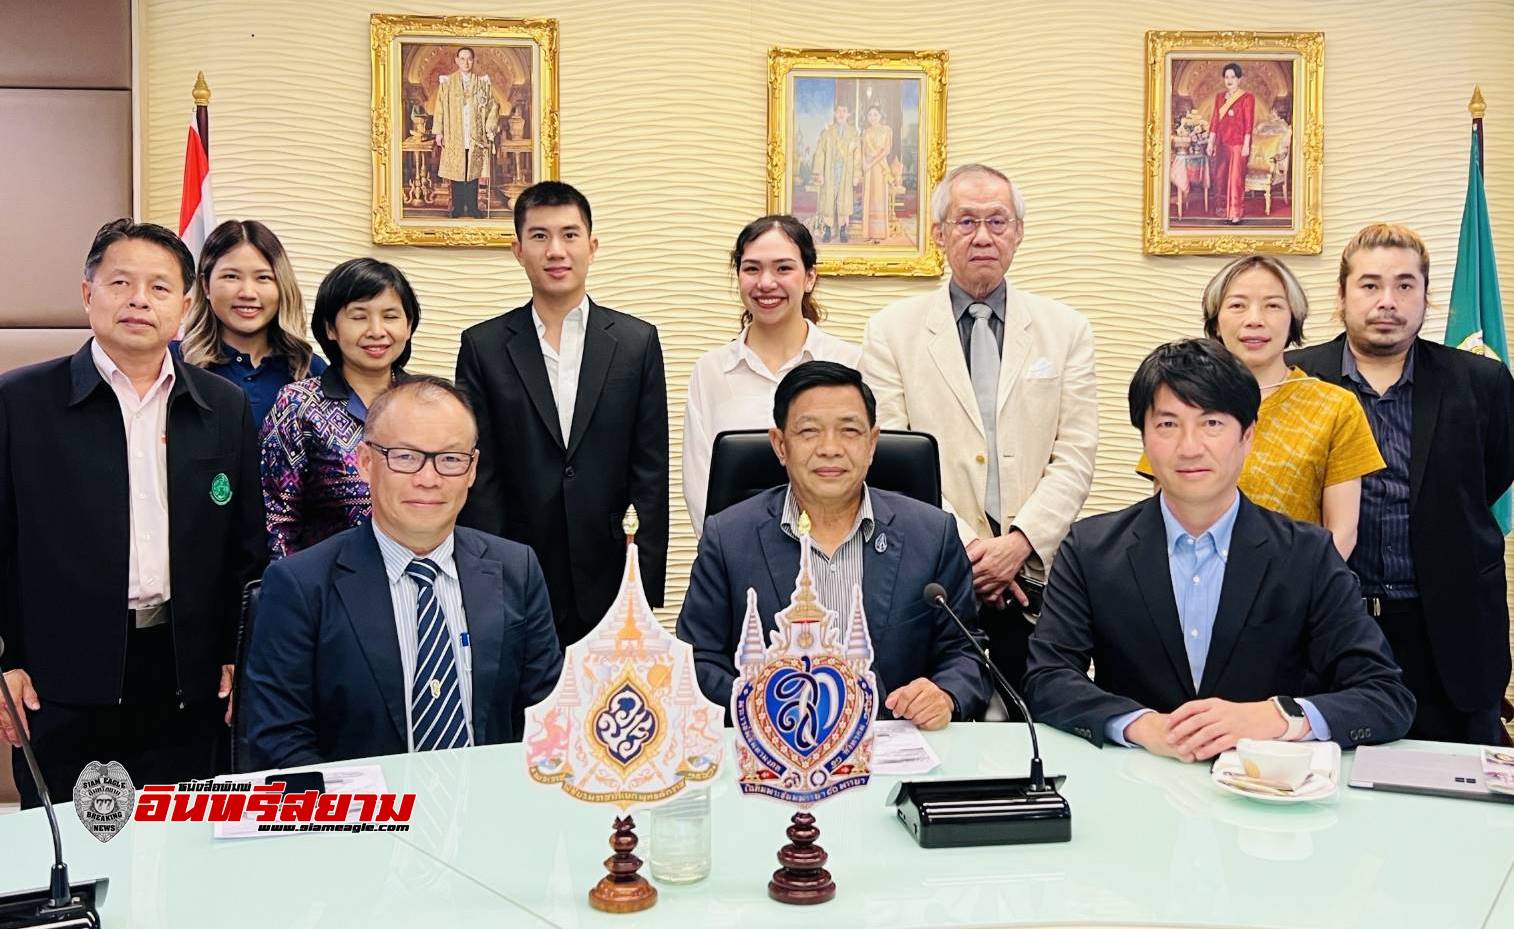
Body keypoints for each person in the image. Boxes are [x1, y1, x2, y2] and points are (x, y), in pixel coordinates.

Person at [1024, 339, 1415, 759]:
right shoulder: (1090, 548)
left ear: (1247, 436)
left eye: (1211, 424)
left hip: (1270, 797)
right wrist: (1142, 725)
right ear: (1145, 439)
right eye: (1168, 425)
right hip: (1138, 783)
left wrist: (1279, 717)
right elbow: (1048, 678)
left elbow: (1385, 696)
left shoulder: (1307, 554)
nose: (1190, 447)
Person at [0, 219, 266, 804]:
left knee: (181, 849)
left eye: (160, 287)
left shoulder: (221, 405)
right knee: (77, 851)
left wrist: (234, 655)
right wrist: (5, 661)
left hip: (186, 676)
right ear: (88, 293)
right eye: (121, 282)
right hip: (60, 678)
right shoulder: (20, 402)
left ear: (186, 304)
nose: (140, 300)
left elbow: (246, 547)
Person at [242, 376, 562, 768]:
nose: (428, 479)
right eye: (405, 457)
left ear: (472, 469)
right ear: (365, 462)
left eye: (449, 459)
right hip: (359, 821)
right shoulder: (300, 586)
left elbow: (544, 721)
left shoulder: (517, 570)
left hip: (487, 813)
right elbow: (279, 743)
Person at [861, 163, 1098, 694]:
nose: (983, 236)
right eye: (966, 222)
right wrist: (967, 550)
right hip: (932, 572)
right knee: (932, 718)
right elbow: (891, 457)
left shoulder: (1066, 330)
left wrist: (1019, 542)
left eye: (998, 220)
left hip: (1037, 576)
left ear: (1019, 231)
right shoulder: (890, 332)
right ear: (939, 234)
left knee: (1038, 722)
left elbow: (1076, 454)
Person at [1290, 223, 1514, 744]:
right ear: (1341, 296)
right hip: (1331, 621)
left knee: (1458, 801)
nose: (1387, 301)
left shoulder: (1481, 382)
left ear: (1425, 296)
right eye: (1369, 285)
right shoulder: (1296, 379)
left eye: (1404, 285)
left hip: (1450, 627)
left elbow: (1493, 476)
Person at [678, 362, 991, 727]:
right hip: (774, 756)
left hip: (895, 749)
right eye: (809, 431)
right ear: (780, 445)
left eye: (849, 431)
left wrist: (946, 694)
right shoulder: (727, 538)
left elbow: (965, 650)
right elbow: (698, 661)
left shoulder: (932, 533)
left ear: (872, 443)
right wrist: (766, 706)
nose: (830, 448)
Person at [457, 181, 668, 647]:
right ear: (517, 250)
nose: (556, 250)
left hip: (612, 571)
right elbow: (480, 473)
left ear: (592, 246)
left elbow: (650, 471)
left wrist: (645, 584)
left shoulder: (636, 343)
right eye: (539, 236)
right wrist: (486, 577)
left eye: (570, 235)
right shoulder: (484, 347)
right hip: (517, 573)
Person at [1137, 255, 1384, 558]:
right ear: (1215, 321)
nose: (1254, 319)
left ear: (1293, 318)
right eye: (1238, 305)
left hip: (1294, 590)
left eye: (1273, 305)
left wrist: (1299, 592)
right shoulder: (1181, 402)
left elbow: (1343, 530)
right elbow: (1165, 517)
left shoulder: (1336, 407)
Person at [682, 214, 860, 533]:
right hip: (737, 558)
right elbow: (700, 489)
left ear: (809, 278)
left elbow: (862, 471)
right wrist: (726, 556)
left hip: (835, 556)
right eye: (752, 268)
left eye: (783, 268)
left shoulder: (849, 363)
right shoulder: (711, 371)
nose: (766, 283)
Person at [261, 258, 419, 560]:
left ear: (409, 326)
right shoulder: (298, 405)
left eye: (390, 316)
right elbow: (277, 521)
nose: (376, 330)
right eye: (359, 317)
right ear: (331, 328)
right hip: (326, 588)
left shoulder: (428, 403)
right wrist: (293, 594)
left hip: (418, 581)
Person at [175, 219, 326, 427]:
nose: (247, 293)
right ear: (206, 286)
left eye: (263, 278)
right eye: (231, 276)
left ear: (282, 285)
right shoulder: (172, 362)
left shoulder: (308, 369)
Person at [433, 46, 499, 219]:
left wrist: (490, 126)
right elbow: (439, 108)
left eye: (469, 58)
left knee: (473, 172)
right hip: (454, 132)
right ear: (456, 60)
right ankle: (457, 207)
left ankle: (472, 207)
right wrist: (439, 132)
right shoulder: (447, 83)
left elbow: (493, 105)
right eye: (462, 59)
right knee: (457, 171)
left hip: (475, 134)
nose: (466, 62)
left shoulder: (482, 83)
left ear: (473, 60)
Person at [1205, 62, 1255, 224]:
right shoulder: (1219, 97)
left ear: (1239, 79)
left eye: (1233, 77)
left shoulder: (1247, 98)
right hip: (1221, 143)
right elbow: (1214, 121)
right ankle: (1222, 209)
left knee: (1235, 179)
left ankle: (1235, 213)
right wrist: (1210, 143)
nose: (1229, 80)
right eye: (1226, 77)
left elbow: (1249, 123)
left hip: (1238, 144)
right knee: (1220, 177)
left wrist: (1247, 145)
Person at [811, 103, 860, 244]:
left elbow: (857, 154)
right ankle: (827, 229)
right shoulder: (827, 132)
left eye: (844, 111)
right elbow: (820, 152)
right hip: (830, 171)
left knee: (844, 199)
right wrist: (819, 172)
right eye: (839, 111)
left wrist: (856, 174)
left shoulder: (854, 133)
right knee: (828, 200)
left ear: (848, 114)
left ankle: (843, 229)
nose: (841, 114)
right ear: (834, 113)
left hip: (846, 171)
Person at [860, 105, 894, 243]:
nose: (872, 117)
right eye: (870, 115)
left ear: (880, 116)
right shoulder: (866, 132)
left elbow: (886, 151)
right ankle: (869, 233)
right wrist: (864, 165)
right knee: (868, 197)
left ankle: (879, 233)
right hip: (868, 169)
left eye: (875, 114)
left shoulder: (887, 130)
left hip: (880, 168)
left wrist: (871, 163)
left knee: (879, 198)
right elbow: (863, 151)